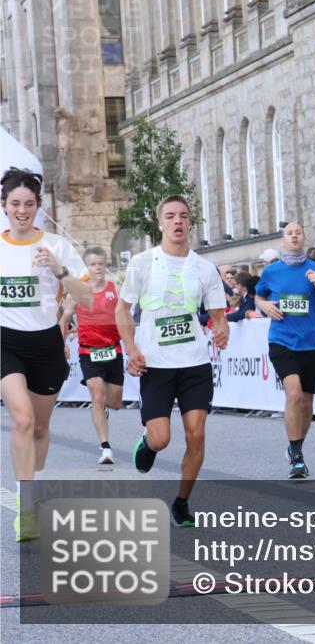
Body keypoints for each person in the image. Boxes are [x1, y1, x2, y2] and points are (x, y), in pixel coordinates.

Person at [116, 195, 229, 527]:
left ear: (189, 223)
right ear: (160, 223)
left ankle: (181, 501)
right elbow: (122, 309)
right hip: (155, 363)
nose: (177, 221)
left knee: (196, 435)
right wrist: (130, 346)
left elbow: (218, 315)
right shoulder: (142, 263)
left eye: (183, 216)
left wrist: (222, 330)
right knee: (162, 438)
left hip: (194, 363)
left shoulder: (205, 268)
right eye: (170, 216)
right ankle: (149, 443)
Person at [1, 168, 92, 542]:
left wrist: (60, 270)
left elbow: (87, 298)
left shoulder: (56, 245)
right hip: (6, 342)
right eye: (15, 204)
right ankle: (26, 509)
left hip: (47, 345)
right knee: (21, 419)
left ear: (38, 207)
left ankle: (32, 483)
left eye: (29, 204)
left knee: (39, 427)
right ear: (4, 207)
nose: (22, 210)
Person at [254, 222, 315, 479]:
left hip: (312, 343)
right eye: (289, 233)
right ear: (283, 240)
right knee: (293, 396)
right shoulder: (272, 271)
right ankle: (298, 458)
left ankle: (295, 448)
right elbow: (258, 297)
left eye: (298, 232)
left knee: (307, 402)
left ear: (304, 238)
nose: (294, 236)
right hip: (281, 341)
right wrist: (265, 306)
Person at [59, 246, 124, 466]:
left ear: (106, 264)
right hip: (89, 351)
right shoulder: (77, 293)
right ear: (86, 267)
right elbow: (65, 319)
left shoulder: (115, 288)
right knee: (97, 397)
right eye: (93, 264)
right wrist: (62, 343)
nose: (97, 268)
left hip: (113, 350)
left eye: (101, 263)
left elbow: (125, 317)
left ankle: (103, 408)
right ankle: (105, 448)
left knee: (114, 402)